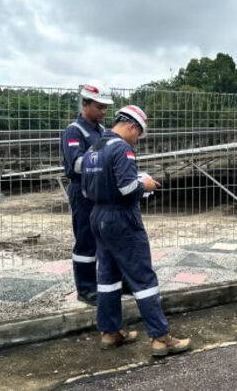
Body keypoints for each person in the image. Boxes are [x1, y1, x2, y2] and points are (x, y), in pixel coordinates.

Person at [81, 105, 191, 355]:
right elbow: (128, 188)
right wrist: (146, 184)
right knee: (143, 277)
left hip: (97, 216)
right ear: (131, 126)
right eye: (138, 134)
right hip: (121, 218)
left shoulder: (93, 148)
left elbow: (85, 190)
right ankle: (160, 337)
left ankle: (110, 332)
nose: (137, 139)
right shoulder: (122, 149)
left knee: (107, 277)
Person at [60, 82, 112, 305]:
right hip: (82, 193)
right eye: (99, 107)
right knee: (85, 240)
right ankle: (86, 289)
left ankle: (105, 283)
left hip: (99, 192)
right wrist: (104, 162)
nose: (103, 111)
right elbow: (76, 164)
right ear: (85, 104)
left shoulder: (102, 131)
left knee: (104, 238)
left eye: (105, 107)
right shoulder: (74, 131)